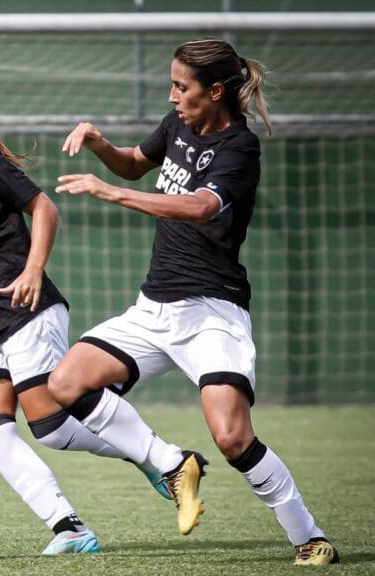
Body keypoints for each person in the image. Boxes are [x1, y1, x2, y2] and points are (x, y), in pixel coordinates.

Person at [50, 38, 339, 566]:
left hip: (212, 311)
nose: (173, 95)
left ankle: (309, 536)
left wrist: (108, 192)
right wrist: (98, 144)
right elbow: (136, 164)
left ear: (217, 91)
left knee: (232, 438)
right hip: (154, 308)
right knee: (65, 384)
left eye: (182, 87)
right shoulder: (177, 123)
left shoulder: (239, 148)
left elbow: (200, 207)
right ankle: (171, 462)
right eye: (172, 84)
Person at [0, 71, 206, 555]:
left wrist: (34, 270)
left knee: (50, 427)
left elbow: (43, 207)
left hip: (27, 307)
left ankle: (160, 459)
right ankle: (70, 529)